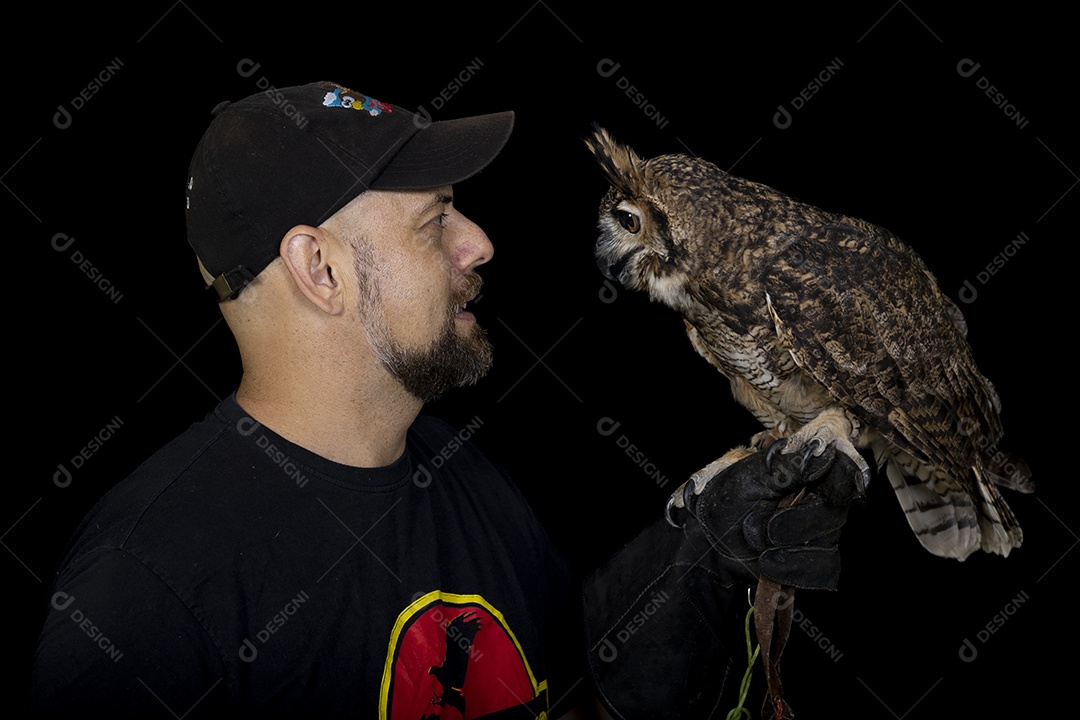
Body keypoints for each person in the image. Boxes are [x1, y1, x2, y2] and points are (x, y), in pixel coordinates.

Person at [31, 80, 862, 719]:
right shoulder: (145, 592)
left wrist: (690, 570)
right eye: (436, 219)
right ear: (320, 270)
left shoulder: (467, 484)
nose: (480, 242)